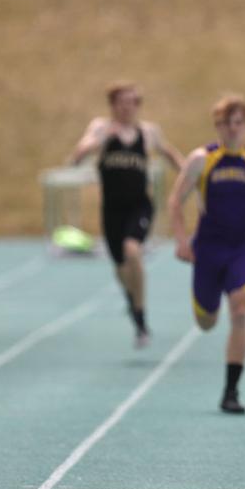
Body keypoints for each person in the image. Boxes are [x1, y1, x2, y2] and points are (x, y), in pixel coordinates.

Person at [168, 95, 245, 414]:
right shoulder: (201, 160)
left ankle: (231, 391)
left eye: (237, 123)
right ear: (216, 126)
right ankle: (207, 310)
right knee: (206, 321)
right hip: (207, 252)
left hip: (239, 251)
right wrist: (181, 241)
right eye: (224, 123)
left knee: (241, 312)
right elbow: (176, 200)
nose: (231, 130)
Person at [69, 81, 184, 348]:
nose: (127, 107)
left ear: (138, 105)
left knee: (133, 251)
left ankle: (141, 319)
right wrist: (94, 144)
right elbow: (78, 154)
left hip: (140, 205)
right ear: (112, 105)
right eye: (121, 102)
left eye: (132, 102)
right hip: (111, 209)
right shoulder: (100, 129)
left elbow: (171, 155)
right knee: (120, 267)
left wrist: (190, 174)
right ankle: (132, 299)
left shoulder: (148, 132)